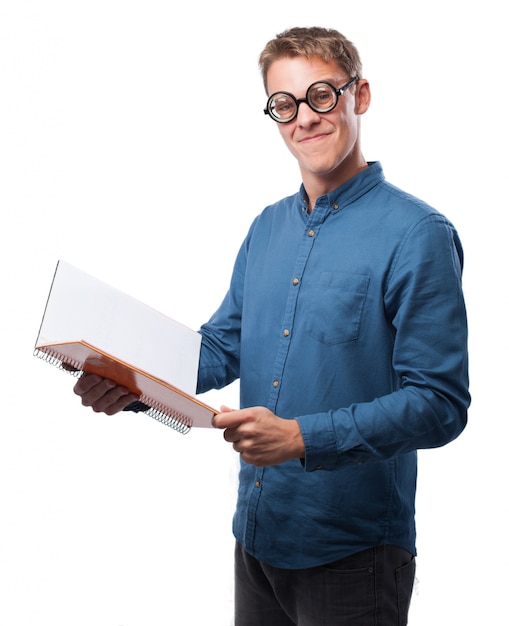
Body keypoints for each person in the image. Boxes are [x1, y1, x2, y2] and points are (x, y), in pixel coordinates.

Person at [72, 26, 470, 626]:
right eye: (285, 104)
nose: (304, 118)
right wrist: (129, 383)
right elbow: (221, 348)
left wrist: (303, 438)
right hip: (256, 535)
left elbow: (440, 404)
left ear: (359, 96)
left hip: (353, 555)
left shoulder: (418, 236)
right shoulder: (266, 228)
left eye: (321, 96)